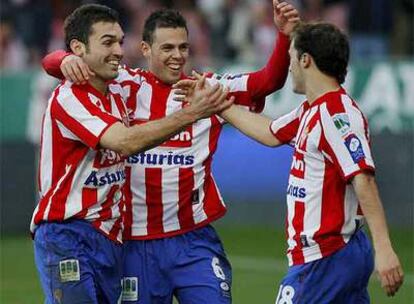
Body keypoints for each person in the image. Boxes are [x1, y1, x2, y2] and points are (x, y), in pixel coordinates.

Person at [41, 2, 300, 303]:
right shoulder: (121, 84)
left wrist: (283, 35)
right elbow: (59, 64)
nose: (177, 56)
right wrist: (61, 60)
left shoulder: (207, 89)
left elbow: (267, 81)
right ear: (146, 49)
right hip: (135, 243)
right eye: (167, 48)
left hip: (193, 239)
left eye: (183, 47)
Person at [176, 22, 404, 303]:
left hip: (324, 256)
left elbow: (363, 179)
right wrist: (217, 105)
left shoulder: (335, 114)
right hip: (338, 253)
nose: (290, 66)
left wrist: (385, 249)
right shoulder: (312, 110)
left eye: (293, 57)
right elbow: (271, 133)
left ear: (306, 60)